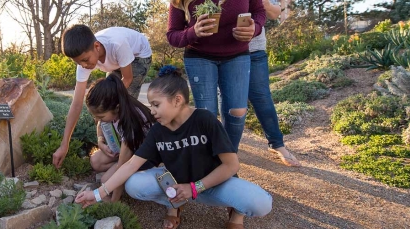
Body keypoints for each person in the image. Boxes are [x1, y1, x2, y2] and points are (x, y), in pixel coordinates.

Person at [75, 66, 272, 229]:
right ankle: (175, 203)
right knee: (134, 184)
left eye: (156, 105)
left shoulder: (204, 120)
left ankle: (236, 213)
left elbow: (231, 166)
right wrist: (97, 194)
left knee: (261, 203)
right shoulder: (158, 130)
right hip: (179, 186)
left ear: (177, 100)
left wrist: (195, 188)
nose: (151, 111)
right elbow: (129, 165)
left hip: (213, 184)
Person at [166, 0, 266, 157]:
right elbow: (172, 35)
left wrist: (256, 28)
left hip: (237, 55)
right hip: (198, 57)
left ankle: (229, 157)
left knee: (237, 112)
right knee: (207, 115)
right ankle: (210, 161)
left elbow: (259, 11)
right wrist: (193, 32)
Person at [53, 25, 153, 168]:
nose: (84, 65)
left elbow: (128, 78)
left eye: (86, 60)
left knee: (119, 107)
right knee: (102, 109)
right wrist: (64, 145)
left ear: (97, 46)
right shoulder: (84, 59)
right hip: (116, 62)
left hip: (138, 56)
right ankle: (115, 150)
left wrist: (110, 101)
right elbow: (76, 103)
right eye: (79, 62)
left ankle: (133, 156)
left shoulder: (117, 44)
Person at [85, 72, 156, 202]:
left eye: (100, 116)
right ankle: (117, 173)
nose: (97, 119)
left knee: (106, 181)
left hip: (146, 158)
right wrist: (100, 142)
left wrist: (114, 202)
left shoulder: (131, 122)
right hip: (129, 149)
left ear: (116, 108)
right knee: (96, 161)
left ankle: (128, 183)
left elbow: (124, 164)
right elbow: (100, 124)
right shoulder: (115, 105)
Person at [248, 0, 301, 166]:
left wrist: (264, 3)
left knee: (262, 97)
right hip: (224, 52)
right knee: (232, 103)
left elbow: (275, 12)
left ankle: (277, 144)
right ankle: (228, 151)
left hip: (254, 50)